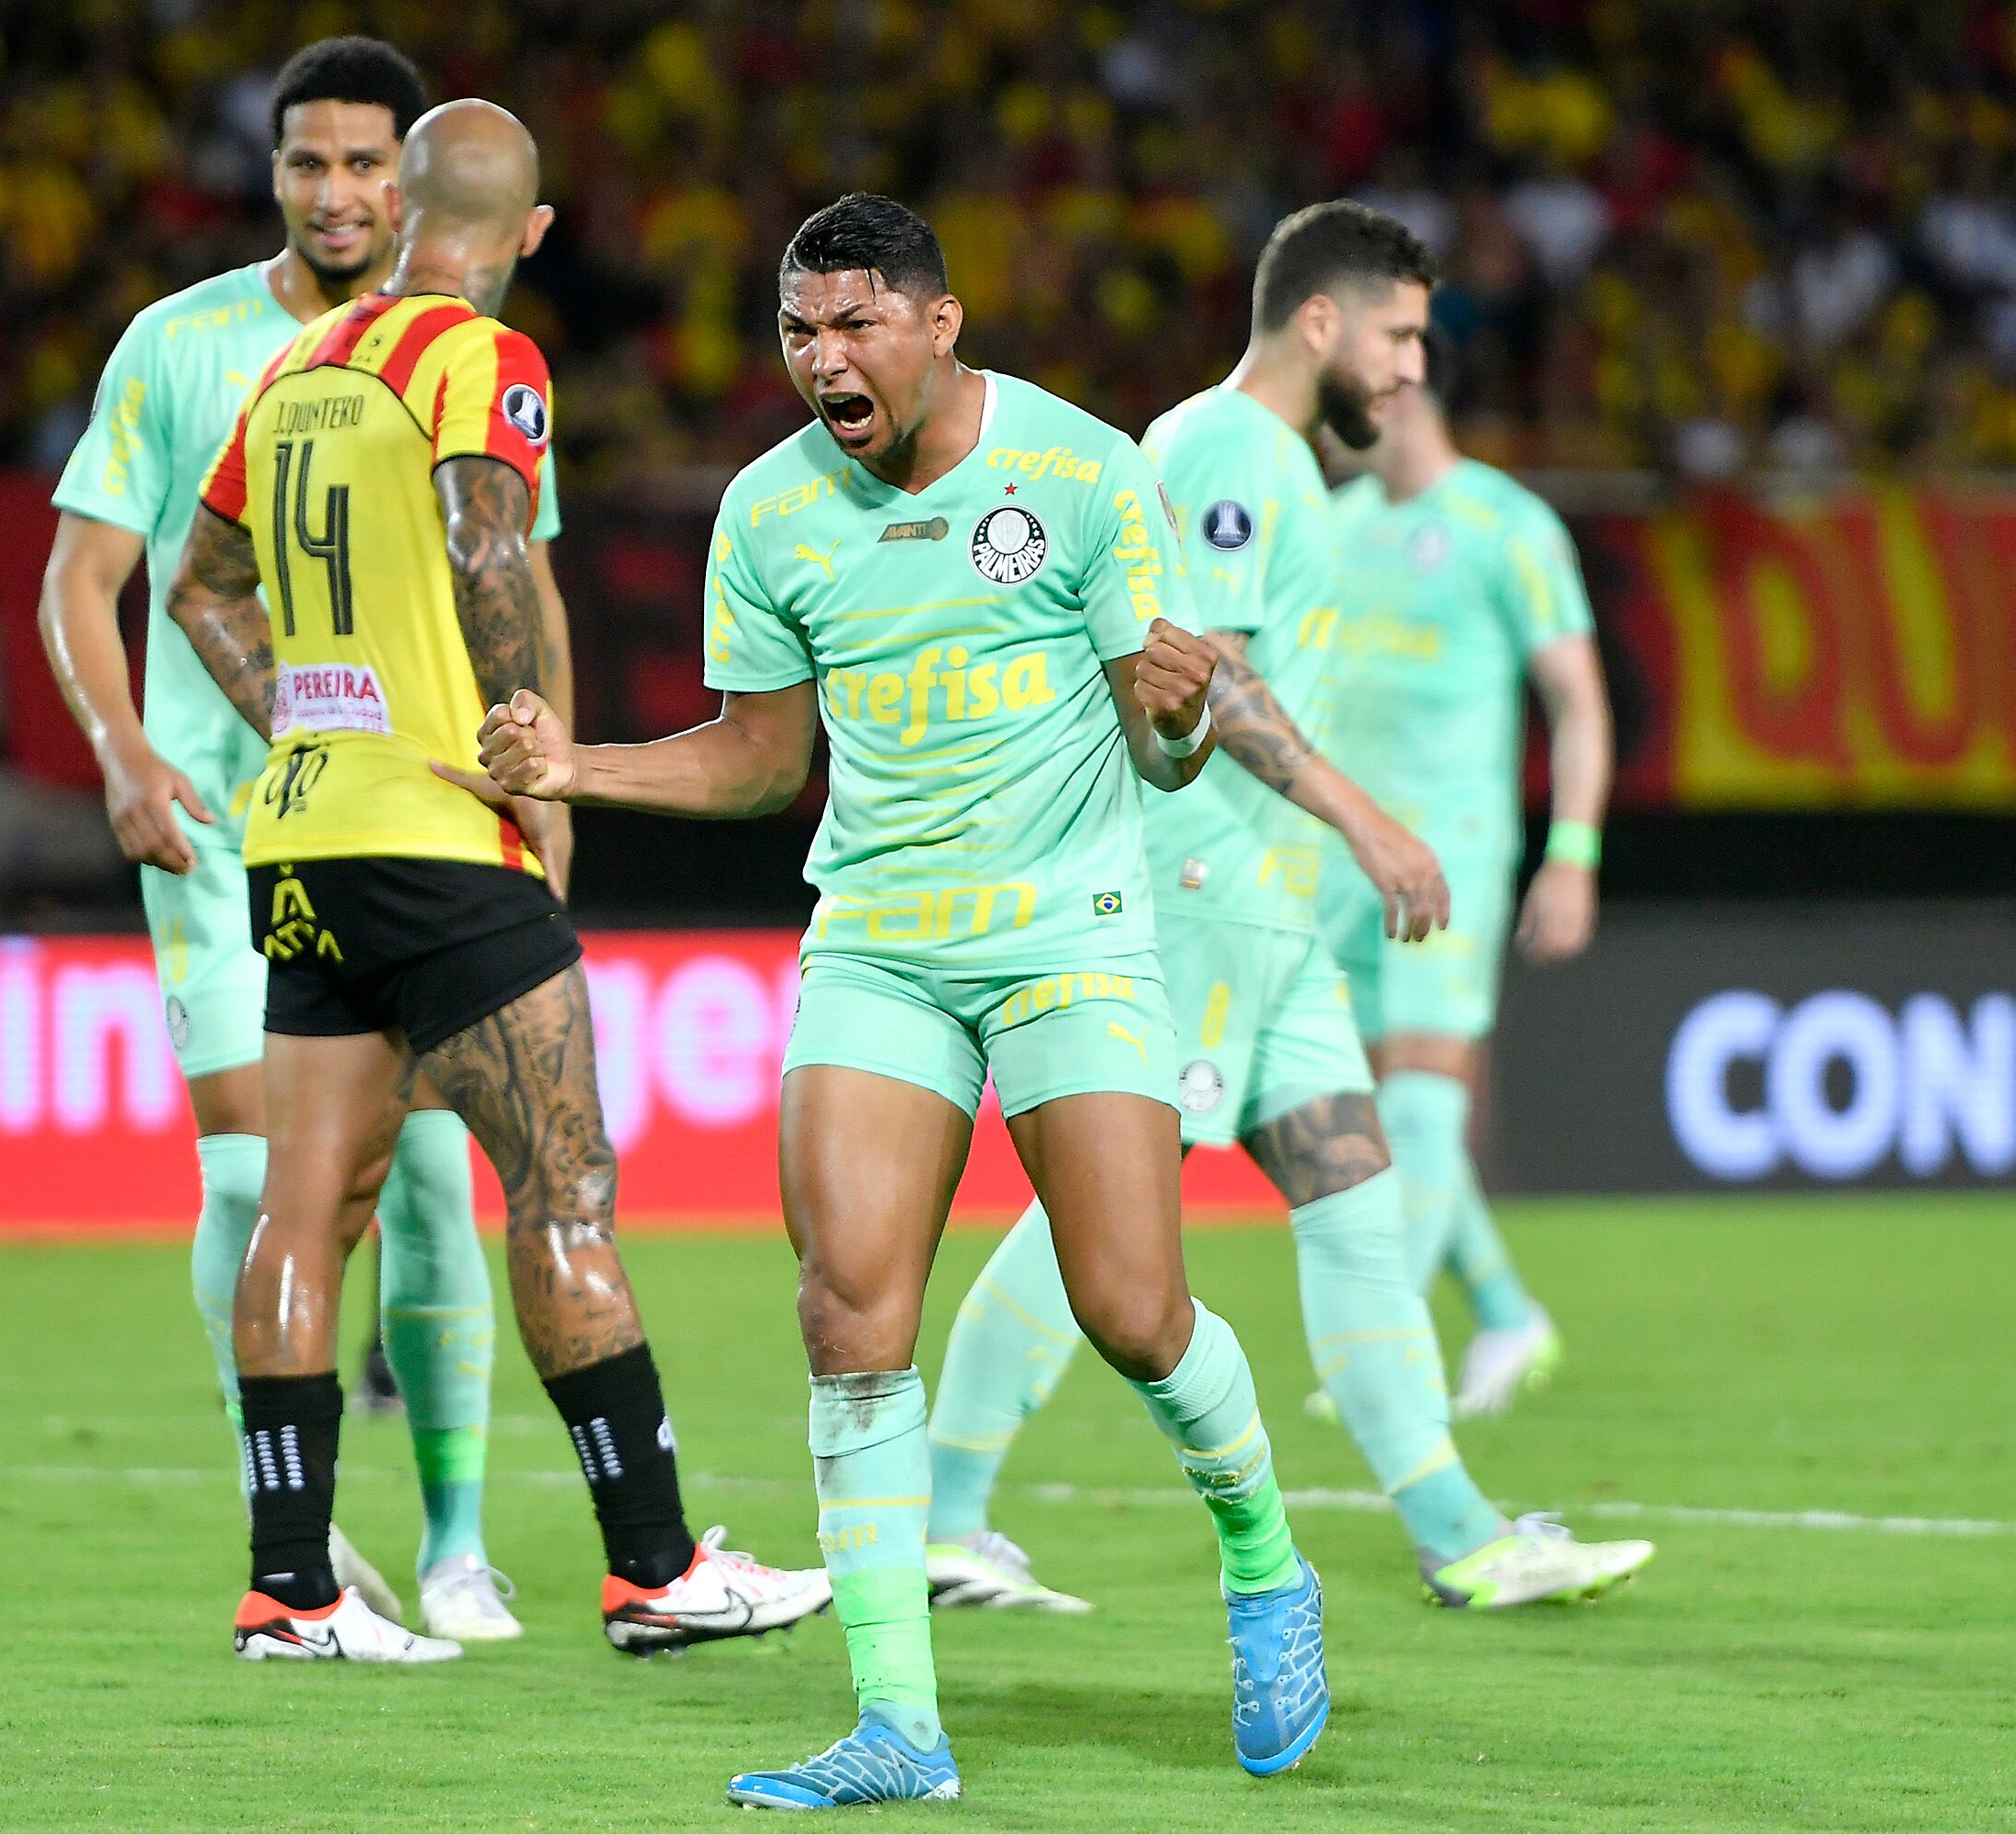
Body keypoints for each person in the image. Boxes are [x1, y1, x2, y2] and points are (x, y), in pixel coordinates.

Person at [472, 193, 1330, 1806]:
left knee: (1134, 1310)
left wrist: (1186, 720)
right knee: (847, 1311)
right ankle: (897, 1725)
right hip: (878, 942)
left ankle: (1266, 1565)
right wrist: (572, 767)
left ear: (941, 324)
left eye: (856, 323)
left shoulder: (1082, 471)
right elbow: (759, 759)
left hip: (1068, 929)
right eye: (799, 330)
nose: (823, 358)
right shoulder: (770, 512)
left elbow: (1156, 745)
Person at [160, 98, 829, 1664]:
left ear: (397, 210)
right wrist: (531, 744)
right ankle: (656, 1568)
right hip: (445, 837)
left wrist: (312, 721)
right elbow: (484, 538)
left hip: (308, 836)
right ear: (529, 232)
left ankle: (290, 1592)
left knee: (305, 1216)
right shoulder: (478, 358)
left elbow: (201, 587)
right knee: (565, 1189)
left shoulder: (296, 368)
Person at [919, 203, 1654, 1613]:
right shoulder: (1234, 452)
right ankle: (945, 1516)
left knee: (1354, 1195)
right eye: (1398, 336)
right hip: (1202, 883)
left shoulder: (1260, 460)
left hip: (1265, 906)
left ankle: (1462, 1535)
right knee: (1102, 1217)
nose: (1410, 370)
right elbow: (1206, 675)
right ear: (1322, 321)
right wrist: (1368, 816)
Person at [39, 36, 534, 1642]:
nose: (337, 193)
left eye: (366, 166)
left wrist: (528, 781)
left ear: (416, 182)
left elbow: (500, 584)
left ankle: (460, 1547)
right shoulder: (179, 347)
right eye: (307, 163)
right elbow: (83, 579)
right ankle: (300, 1543)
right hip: (217, 829)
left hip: (421, 824)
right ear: (273, 175)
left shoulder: (463, 354)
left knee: (438, 1186)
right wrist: (122, 750)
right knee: (261, 1180)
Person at [1323, 345, 1615, 1417]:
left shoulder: (1507, 525)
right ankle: (1502, 1308)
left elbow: (1578, 700)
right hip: (1340, 864)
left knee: (1425, 1098)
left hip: (1453, 853)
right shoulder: (1337, 526)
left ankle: (1381, 1349)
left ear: (1393, 399)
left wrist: (1572, 853)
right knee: (1362, 1115)